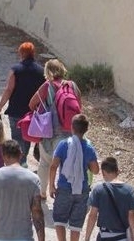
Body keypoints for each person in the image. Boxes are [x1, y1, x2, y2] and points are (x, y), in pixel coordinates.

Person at [28, 58, 81, 199]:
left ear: (47, 72)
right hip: (71, 132)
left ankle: (42, 193)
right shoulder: (73, 86)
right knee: (67, 165)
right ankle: (66, 193)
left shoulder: (47, 86)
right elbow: (79, 107)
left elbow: (31, 104)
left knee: (45, 163)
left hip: (51, 132)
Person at [48, 114, 99, 241]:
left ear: (72, 128)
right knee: (76, 225)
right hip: (81, 190)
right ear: (86, 130)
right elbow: (95, 170)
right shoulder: (89, 148)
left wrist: (52, 186)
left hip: (64, 188)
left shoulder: (63, 145)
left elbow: (53, 166)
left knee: (59, 220)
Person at [0, 42, 45, 167]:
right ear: (33, 53)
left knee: (17, 138)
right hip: (32, 112)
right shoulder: (41, 71)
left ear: (21, 53)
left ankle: (19, 162)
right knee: (27, 137)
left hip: (16, 110)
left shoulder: (15, 69)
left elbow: (9, 89)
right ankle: (23, 161)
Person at [84, 157, 134, 241]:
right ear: (117, 170)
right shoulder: (128, 190)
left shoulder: (98, 190)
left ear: (103, 172)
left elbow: (93, 215)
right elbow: (131, 216)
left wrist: (87, 238)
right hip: (122, 237)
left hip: (105, 236)